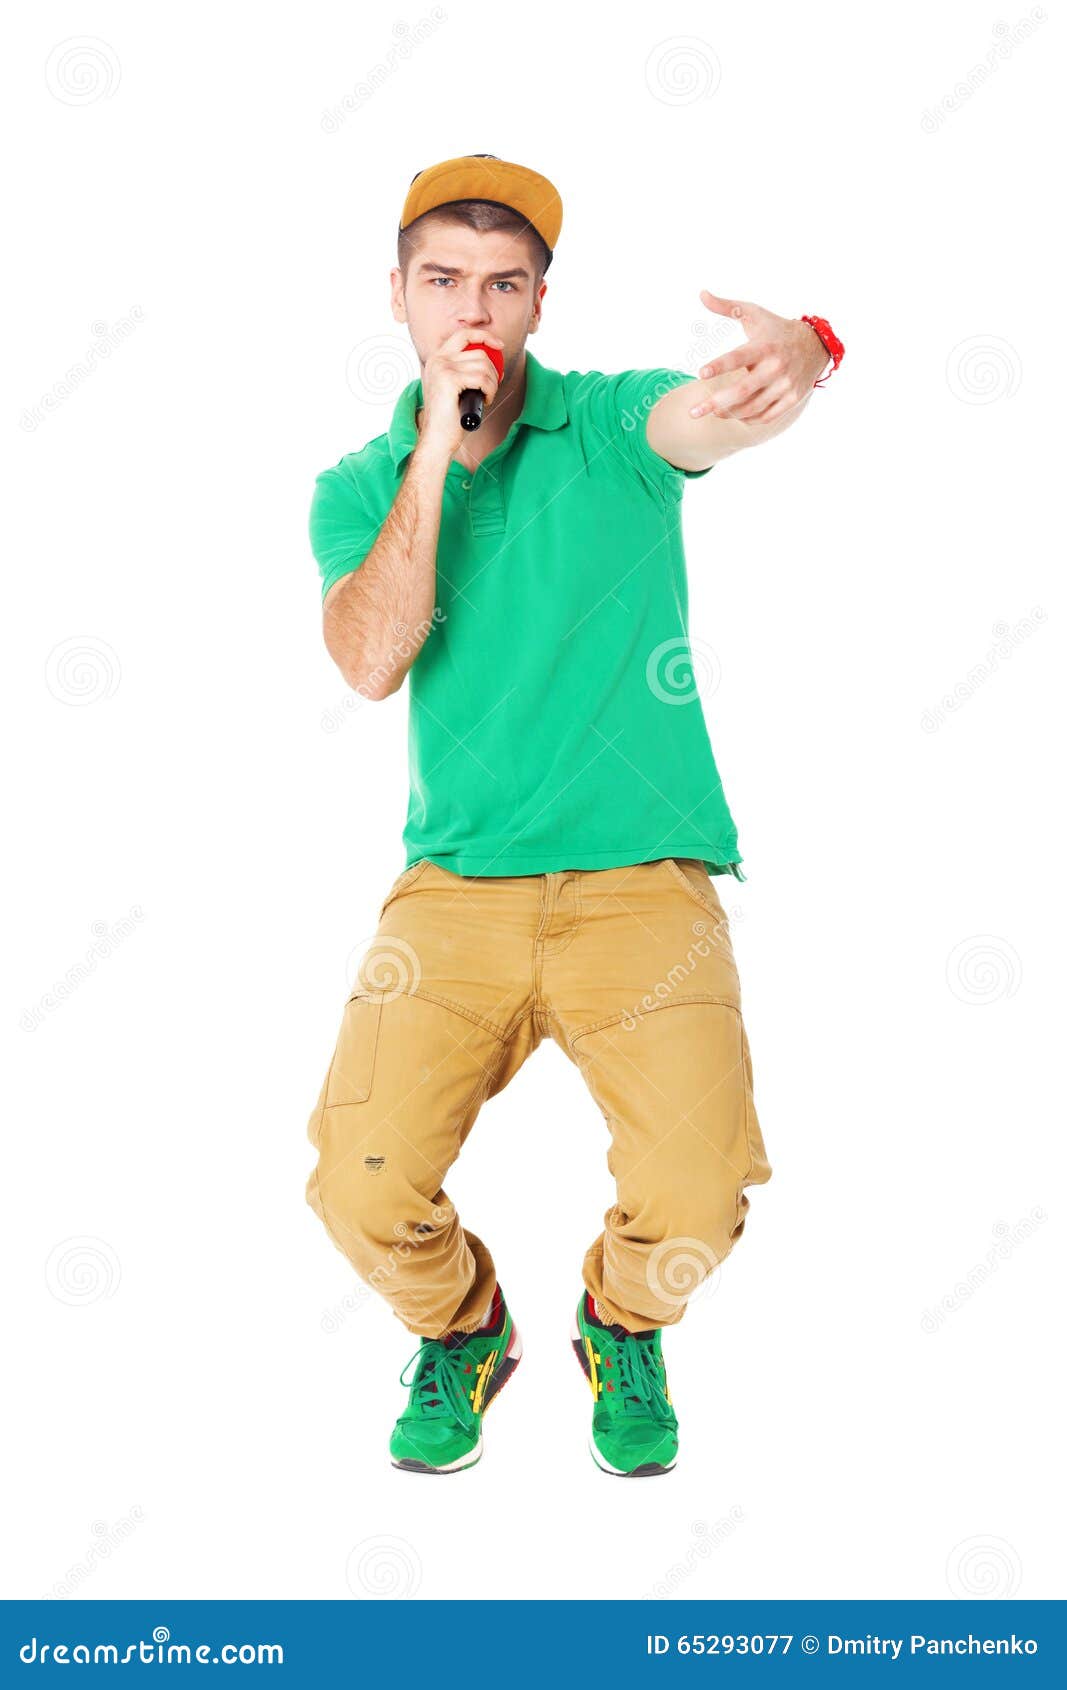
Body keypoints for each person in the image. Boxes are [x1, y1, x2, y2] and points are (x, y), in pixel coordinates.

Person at [304, 153, 844, 1476]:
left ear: (541, 298)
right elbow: (371, 661)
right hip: (458, 888)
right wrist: (437, 448)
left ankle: (620, 1322)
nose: (471, 308)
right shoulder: (355, 488)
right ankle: (465, 1327)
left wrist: (803, 358)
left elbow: (715, 415)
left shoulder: (611, 425)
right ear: (399, 295)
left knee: (698, 1201)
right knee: (356, 1186)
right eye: (443, 280)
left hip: (640, 883)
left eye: (503, 281)